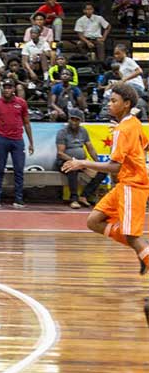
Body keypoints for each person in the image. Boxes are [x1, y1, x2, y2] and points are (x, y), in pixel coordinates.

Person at [62, 84, 149, 285]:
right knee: (93, 221)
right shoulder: (132, 122)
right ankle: (142, 249)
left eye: (113, 101)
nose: (109, 104)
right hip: (124, 185)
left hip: (132, 185)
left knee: (133, 236)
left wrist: (81, 162)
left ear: (126, 104)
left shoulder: (125, 128)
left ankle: (142, 249)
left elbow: (115, 167)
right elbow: (145, 145)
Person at [0, 78, 35, 208]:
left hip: (17, 140)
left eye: (9, 87)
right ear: (2, 88)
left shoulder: (21, 103)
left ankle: (18, 199)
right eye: (5, 87)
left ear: (14, 89)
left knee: (19, 170)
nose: (7, 89)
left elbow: (26, 123)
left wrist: (31, 142)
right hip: (1, 139)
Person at [54, 109, 107, 209]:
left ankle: (84, 196)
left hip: (81, 163)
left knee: (102, 172)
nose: (74, 122)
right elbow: (60, 153)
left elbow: (90, 148)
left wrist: (98, 163)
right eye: (72, 119)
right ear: (69, 119)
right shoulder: (62, 132)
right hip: (64, 161)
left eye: (76, 120)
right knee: (72, 168)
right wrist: (75, 162)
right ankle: (73, 199)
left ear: (80, 121)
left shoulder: (83, 131)